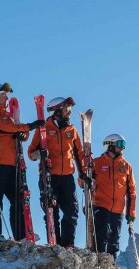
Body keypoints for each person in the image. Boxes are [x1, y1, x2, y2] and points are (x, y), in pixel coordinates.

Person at [0, 83, 45, 240]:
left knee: (18, 201)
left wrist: (24, 135)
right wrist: (29, 126)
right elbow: (6, 129)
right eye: (4, 95)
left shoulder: (7, 116)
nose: (7, 98)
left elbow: (16, 130)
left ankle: (21, 235)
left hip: (13, 164)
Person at [27, 96, 88, 247]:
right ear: (57, 111)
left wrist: (83, 174)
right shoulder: (44, 128)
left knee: (72, 212)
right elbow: (30, 153)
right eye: (67, 110)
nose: (69, 113)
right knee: (51, 212)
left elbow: (79, 155)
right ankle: (55, 243)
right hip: (49, 177)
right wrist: (40, 154)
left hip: (67, 177)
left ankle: (68, 244)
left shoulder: (71, 130)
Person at [90, 134, 137, 259]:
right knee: (102, 234)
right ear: (110, 145)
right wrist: (86, 179)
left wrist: (131, 213)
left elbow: (131, 191)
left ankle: (110, 267)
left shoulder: (126, 167)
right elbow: (82, 182)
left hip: (118, 209)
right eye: (120, 144)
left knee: (114, 239)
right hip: (100, 204)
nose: (123, 148)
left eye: (124, 145)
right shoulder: (97, 163)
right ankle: (99, 263)